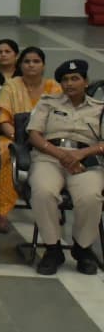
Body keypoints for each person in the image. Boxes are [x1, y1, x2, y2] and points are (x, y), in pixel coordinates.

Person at [27, 59, 104, 275]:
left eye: (75, 79)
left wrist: (81, 154)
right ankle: (53, 249)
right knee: (43, 191)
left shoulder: (99, 109)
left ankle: (82, 249)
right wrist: (61, 154)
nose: (70, 84)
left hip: (85, 160)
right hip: (49, 157)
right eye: (65, 80)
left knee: (91, 196)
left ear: (86, 81)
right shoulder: (48, 103)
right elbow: (34, 135)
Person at [0, 47, 61, 234]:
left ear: (44, 65)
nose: (31, 65)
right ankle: (2, 212)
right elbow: (2, 115)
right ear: (20, 65)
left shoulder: (54, 87)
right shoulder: (12, 86)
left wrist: (40, 141)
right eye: (27, 61)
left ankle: (51, 205)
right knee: (8, 152)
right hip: (13, 137)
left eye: (36, 61)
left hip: (48, 140)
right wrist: (18, 137)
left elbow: (61, 119)